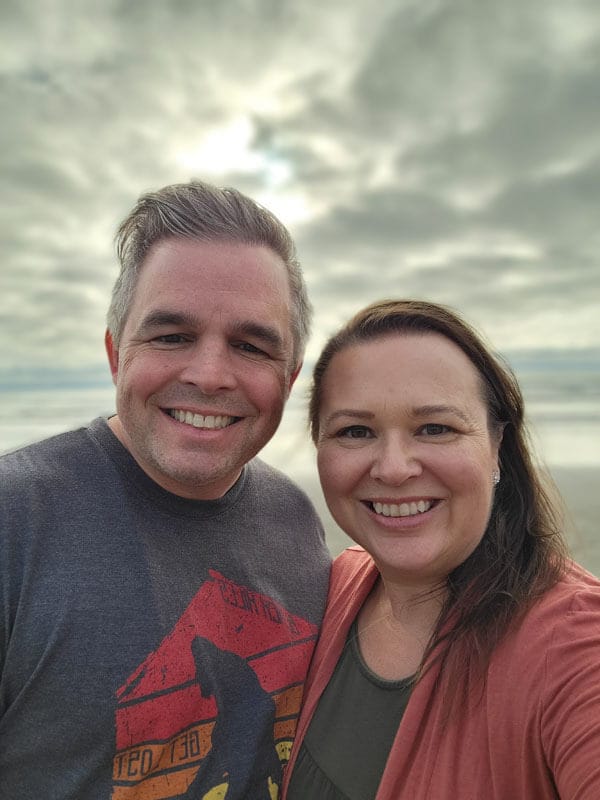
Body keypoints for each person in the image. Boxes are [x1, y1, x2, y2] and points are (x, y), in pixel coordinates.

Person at [0, 180, 331, 800]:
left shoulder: (295, 519)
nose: (208, 374)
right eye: (171, 336)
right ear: (114, 355)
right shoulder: (15, 518)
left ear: (287, 382)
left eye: (250, 346)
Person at [283, 299, 600, 800]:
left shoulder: (573, 641)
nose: (392, 468)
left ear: (497, 444)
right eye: (355, 431)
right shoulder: (332, 588)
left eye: (435, 428)